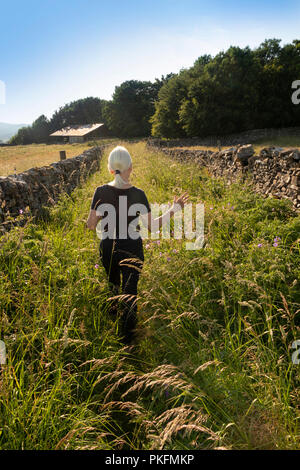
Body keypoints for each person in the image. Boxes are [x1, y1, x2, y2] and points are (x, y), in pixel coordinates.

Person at [86, 145, 189, 344]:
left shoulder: (100, 191)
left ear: (110, 169)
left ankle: (114, 330)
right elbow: (153, 227)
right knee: (130, 293)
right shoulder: (138, 194)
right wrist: (174, 209)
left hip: (108, 248)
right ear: (130, 167)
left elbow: (90, 226)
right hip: (132, 248)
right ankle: (128, 341)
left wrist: (102, 215)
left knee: (113, 286)